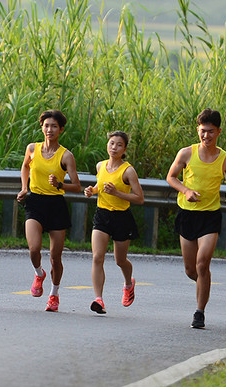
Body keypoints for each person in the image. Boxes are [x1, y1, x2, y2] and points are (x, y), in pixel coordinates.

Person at [166, 108, 226, 329]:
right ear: (198, 130)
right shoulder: (186, 153)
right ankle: (203, 285)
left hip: (210, 215)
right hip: (187, 214)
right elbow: (171, 177)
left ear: (218, 132)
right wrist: (186, 191)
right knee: (191, 270)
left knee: (202, 263)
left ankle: (199, 312)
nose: (206, 136)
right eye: (202, 131)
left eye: (210, 132)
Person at [17, 110, 82, 312]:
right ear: (41, 127)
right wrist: (24, 188)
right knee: (34, 249)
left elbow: (77, 186)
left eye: (54, 126)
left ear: (61, 129)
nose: (49, 129)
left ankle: (54, 294)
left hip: (56, 205)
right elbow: (25, 167)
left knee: (55, 256)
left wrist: (60, 185)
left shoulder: (66, 156)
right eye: (46, 125)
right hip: (35, 202)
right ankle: (39, 273)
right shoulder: (32, 148)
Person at [84, 130, 145, 315]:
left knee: (120, 260)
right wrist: (92, 191)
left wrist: (117, 193)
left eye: (119, 145)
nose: (114, 147)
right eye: (112, 143)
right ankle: (99, 299)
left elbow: (139, 198)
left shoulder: (128, 171)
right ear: (107, 145)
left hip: (121, 217)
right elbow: (100, 186)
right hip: (102, 215)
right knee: (97, 257)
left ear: (124, 149)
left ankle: (128, 283)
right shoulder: (100, 166)